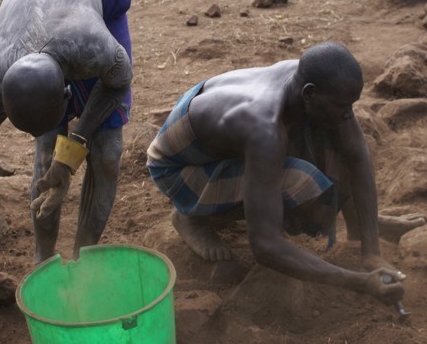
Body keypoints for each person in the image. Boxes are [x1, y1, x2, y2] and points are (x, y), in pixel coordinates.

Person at [147, 42, 424, 306]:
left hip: (221, 126)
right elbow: (265, 245)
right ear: (309, 94)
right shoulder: (265, 129)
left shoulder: (313, 79)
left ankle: (359, 229)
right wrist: (360, 282)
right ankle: (192, 217)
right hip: (179, 166)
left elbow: (357, 154)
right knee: (301, 183)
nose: (348, 114)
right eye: (343, 105)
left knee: (338, 138)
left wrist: (371, 251)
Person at [0, 0, 133, 333]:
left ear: (66, 90)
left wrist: (76, 142)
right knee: (46, 159)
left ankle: (85, 258)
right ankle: (44, 258)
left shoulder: (95, 46)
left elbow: (118, 83)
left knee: (108, 154)